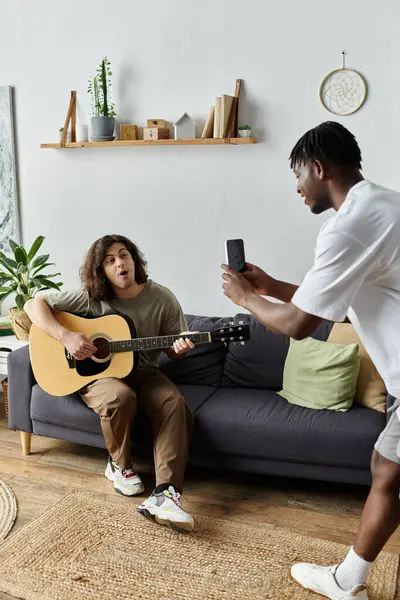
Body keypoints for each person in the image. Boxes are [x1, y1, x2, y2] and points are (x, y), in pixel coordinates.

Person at [221, 121, 400, 600]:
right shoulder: (384, 204)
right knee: (388, 468)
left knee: (388, 471)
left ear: (319, 168)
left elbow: (300, 326)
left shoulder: (346, 227)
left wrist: (244, 298)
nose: (298, 189)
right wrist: (270, 286)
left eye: (298, 175)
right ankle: (349, 578)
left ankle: (346, 582)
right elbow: (332, 303)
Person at [25, 234, 196, 532]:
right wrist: (66, 336)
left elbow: (173, 348)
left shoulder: (162, 298)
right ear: (101, 270)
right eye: (110, 260)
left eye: (124, 255)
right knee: (119, 396)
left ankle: (167, 493)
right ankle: (119, 466)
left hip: (144, 372)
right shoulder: (92, 298)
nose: (120, 263)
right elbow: (32, 305)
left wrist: (177, 349)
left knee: (174, 404)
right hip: (100, 376)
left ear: (134, 260)